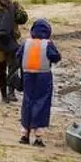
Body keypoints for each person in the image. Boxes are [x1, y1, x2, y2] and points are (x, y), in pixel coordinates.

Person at [17, 19, 60, 147]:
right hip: (44, 76)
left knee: (27, 102)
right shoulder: (48, 44)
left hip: (27, 76)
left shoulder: (26, 43)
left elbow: (18, 55)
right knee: (42, 103)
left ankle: (25, 134)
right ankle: (38, 136)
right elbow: (56, 57)